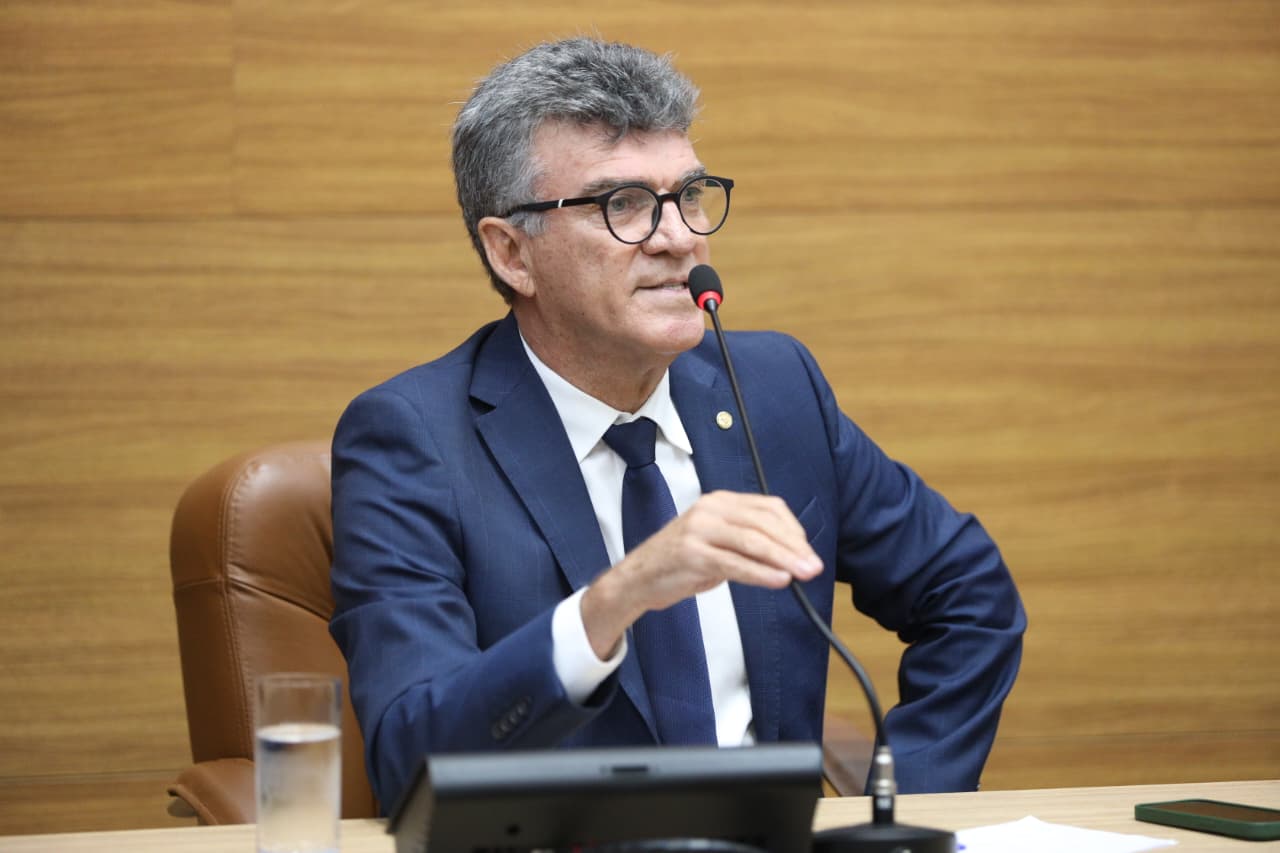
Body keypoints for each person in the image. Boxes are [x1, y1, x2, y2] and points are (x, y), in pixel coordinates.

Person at [329, 37, 1025, 813]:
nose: (679, 237)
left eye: (689, 194)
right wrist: (615, 600)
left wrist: (906, 807)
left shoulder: (775, 390)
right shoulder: (411, 440)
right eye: (622, 204)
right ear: (512, 253)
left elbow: (969, 592)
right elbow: (409, 757)